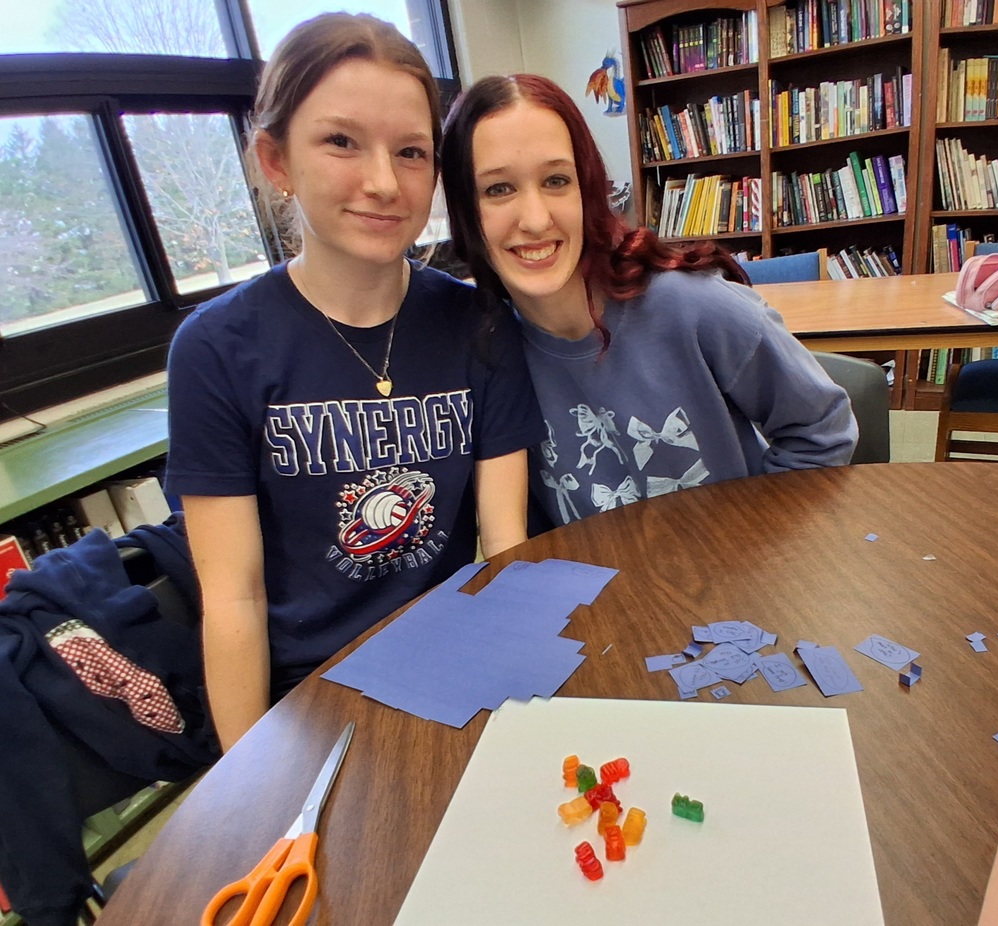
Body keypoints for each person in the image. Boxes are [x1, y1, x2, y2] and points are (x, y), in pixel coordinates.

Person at [165, 16, 544, 751]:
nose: (382, 182)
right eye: (341, 141)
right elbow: (234, 600)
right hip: (306, 696)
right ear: (276, 160)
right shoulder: (215, 349)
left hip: (450, 663)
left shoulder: (479, 323)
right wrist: (249, 787)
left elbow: (504, 546)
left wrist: (521, 711)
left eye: (410, 152)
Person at [440, 74, 857, 531]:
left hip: (739, 581)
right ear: (465, 210)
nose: (536, 220)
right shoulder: (487, 350)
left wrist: (755, 540)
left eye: (557, 180)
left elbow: (821, 430)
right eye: (498, 189)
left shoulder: (693, 307)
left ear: (589, 190)